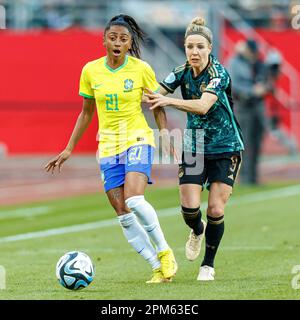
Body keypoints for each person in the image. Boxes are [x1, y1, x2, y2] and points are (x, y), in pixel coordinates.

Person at [45, 14, 177, 284]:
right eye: (113, 37)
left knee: (134, 199)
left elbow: (157, 104)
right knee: (122, 213)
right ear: (104, 40)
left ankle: (164, 251)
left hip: (137, 138)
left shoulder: (141, 69)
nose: (117, 42)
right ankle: (156, 268)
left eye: (123, 39)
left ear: (129, 44)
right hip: (107, 145)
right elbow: (86, 113)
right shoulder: (90, 71)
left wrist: (164, 134)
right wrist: (69, 148)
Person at [145, 17, 244, 281]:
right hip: (195, 144)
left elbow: (202, 106)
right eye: (189, 46)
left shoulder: (218, 73)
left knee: (215, 209)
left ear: (210, 48)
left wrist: (167, 100)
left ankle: (207, 265)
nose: (194, 52)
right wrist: (163, 131)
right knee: (189, 209)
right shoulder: (180, 72)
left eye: (200, 46)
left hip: (225, 145)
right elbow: (154, 97)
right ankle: (197, 230)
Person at [227, 39, 269, 185]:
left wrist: (264, 87)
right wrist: (252, 91)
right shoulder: (234, 63)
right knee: (244, 143)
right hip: (243, 106)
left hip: (258, 106)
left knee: (257, 142)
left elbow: (265, 80)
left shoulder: (256, 63)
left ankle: (253, 177)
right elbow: (232, 84)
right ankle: (244, 178)